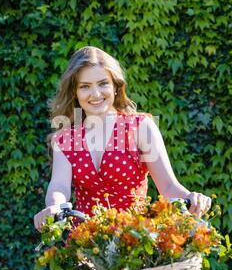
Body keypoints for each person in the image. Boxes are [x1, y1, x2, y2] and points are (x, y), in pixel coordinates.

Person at [34, 46, 212, 231]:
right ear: (75, 92)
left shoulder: (140, 127)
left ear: (115, 86)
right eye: (85, 86)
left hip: (135, 243)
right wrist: (54, 207)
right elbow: (59, 187)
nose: (96, 94)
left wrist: (193, 198)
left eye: (103, 83)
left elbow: (168, 187)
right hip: (86, 246)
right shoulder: (66, 139)